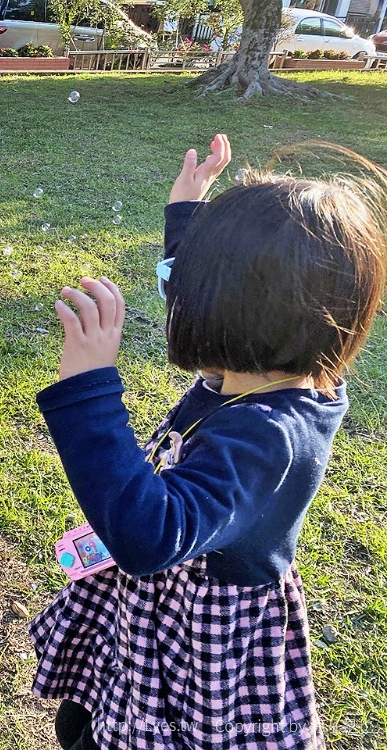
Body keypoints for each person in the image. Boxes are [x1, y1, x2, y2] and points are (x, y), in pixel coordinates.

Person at [30, 134, 385, 749]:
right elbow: (203, 294)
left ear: (233, 314)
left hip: (201, 636)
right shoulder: (281, 359)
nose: (173, 293)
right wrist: (188, 213)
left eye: (189, 283)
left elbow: (148, 533)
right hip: (169, 601)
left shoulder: (271, 438)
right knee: (97, 712)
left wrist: (87, 390)